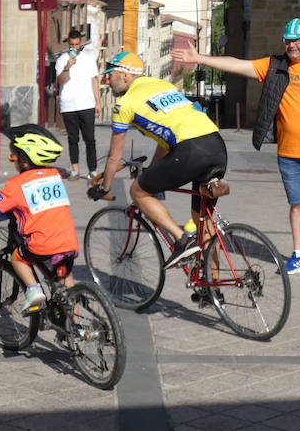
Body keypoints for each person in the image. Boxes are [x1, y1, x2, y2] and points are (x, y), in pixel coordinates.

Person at [173, 18, 300, 279]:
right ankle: (299, 255)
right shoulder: (274, 66)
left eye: (297, 40)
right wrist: (200, 57)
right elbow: (237, 64)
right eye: (288, 40)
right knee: (297, 204)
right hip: (289, 153)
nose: (292, 45)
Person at [91, 51, 227, 270]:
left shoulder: (124, 104)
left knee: (138, 191)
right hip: (216, 145)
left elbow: (114, 156)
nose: (108, 79)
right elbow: (166, 140)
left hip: (190, 151)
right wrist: (153, 170)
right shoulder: (163, 85)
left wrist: (104, 187)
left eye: (111, 74)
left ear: (125, 76)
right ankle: (213, 287)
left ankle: (182, 239)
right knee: (204, 221)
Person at [0, 125, 78, 313]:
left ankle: (34, 292)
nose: (12, 159)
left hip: (42, 243)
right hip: (68, 241)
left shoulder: (16, 184)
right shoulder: (54, 175)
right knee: (67, 283)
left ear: (23, 160)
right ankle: (77, 329)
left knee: (18, 258)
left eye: (13, 155)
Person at [54, 28, 101, 181]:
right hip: (68, 105)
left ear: (81, 44)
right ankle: (75, 170)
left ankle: (92, 170)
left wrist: (98, 102)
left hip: (87, 103)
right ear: (68, 44)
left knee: (90, 139)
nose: (74, 48)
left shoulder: (89, 58)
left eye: (76, 45)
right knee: (73, 139)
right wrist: (67, 67)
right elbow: (60, 81)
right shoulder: (62, 60)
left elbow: (94, 81)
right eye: (71, 45)